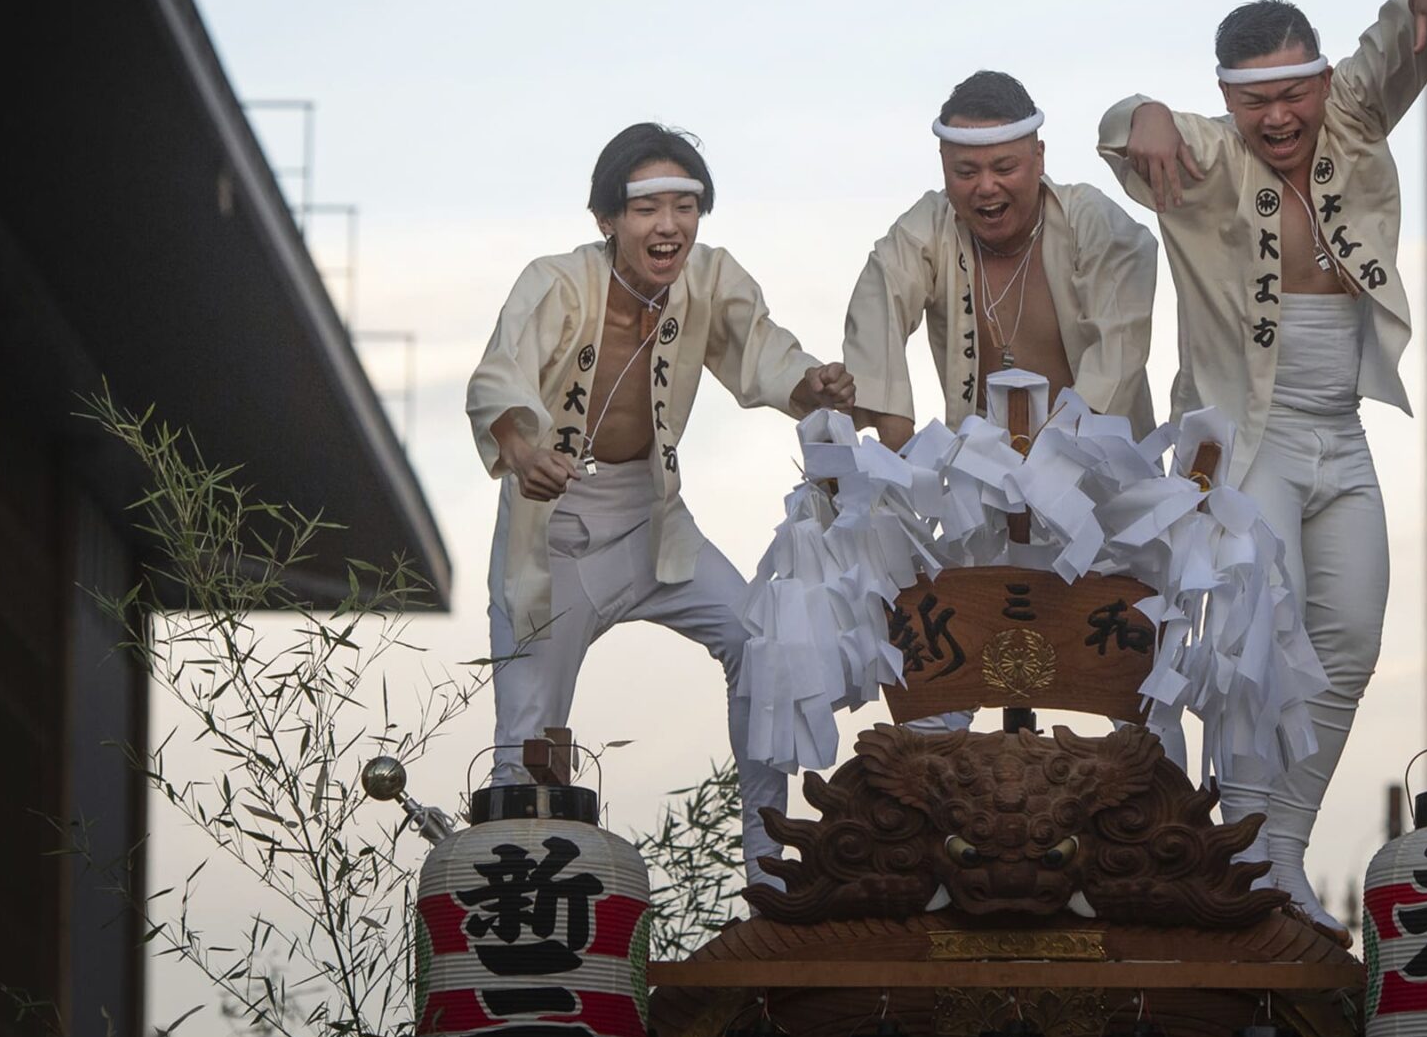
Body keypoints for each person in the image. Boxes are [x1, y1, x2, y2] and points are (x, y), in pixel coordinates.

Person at [1099, 0, 1427, 930]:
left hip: (1341, 431)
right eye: (1255, 99)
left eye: (1292, 92)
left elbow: (1397, 43)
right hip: (1245, 443)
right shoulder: (1201, 161)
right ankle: (1244, 844)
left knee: (1349, 637)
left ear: (1320, 81)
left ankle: (1281, 851)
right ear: (1226, 100)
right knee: (1256, 645)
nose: (1279, 116)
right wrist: (1138, 111)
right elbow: (1119, 132)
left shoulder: (1351, 121)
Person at [468, 123, 855, 882]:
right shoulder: (557, 281)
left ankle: (766, 860)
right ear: (607, 218)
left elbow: (764, 350)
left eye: (686, 205)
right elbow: (497, 380)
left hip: (654, 522)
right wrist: (521, 454)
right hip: (555, 531)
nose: (669, 225)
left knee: (755, 638)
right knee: (525, 735)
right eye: (648, 208)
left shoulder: (709, 279)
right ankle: (525, 939)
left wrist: (812, 384)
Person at [845, 69, 1158, 448]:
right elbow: (879, 299)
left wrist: (1049, 459)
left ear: (1038, 158)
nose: (987, 187)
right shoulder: (929, 227)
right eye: (966, 172)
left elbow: (1118, 353)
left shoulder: (1090, 221)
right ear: (944, 165)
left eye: (1004, 168)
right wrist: (896, 445)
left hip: (1100, 465)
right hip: (982, 472)